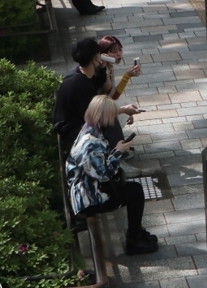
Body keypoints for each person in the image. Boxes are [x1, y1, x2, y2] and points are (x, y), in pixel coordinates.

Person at [66, 95, 158, 255]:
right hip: (88, 198)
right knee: (135, 192)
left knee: (133, 189)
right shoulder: (89, 144)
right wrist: (117, 152)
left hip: (88, 189)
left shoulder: (90, 128)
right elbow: (103, 174)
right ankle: (134, 240)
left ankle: (137, 233)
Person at [53, 38, 129, 151]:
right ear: (94, 59)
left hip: (75, 122)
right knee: (110, 122)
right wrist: (124, 110)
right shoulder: (80, 85)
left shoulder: (80, 72)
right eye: (99, 54)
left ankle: (117, 155)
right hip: (72, 130)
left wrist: (102, 68)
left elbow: (98, 83)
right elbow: (96, 115)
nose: (101, 56)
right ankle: (116, 158)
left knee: (110, 118)